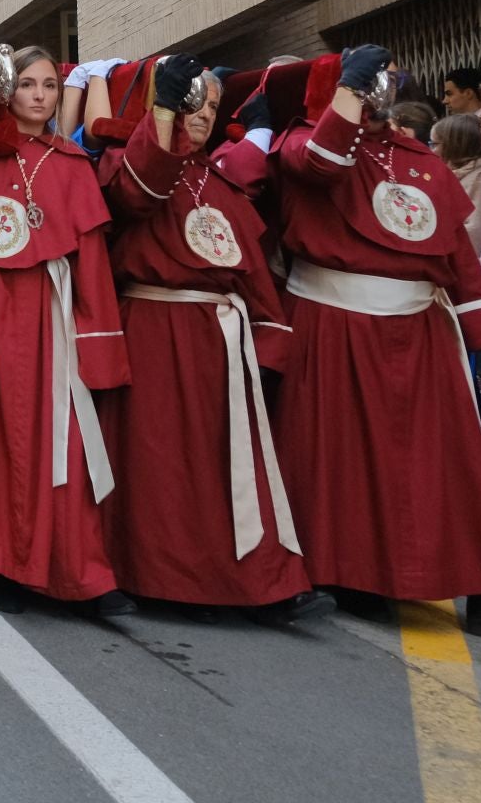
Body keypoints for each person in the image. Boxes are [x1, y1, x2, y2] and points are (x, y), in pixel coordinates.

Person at [273, 46, 481, 629]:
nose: (372, 100)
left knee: (449, 467)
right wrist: (347, 93)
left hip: (422, 332)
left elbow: (457, 257)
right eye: (360, 90)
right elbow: (321, 162)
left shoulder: (420, 158)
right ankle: (352, 576)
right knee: (343, 465)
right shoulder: (303, 145)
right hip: (334, 323)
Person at [94, 57, 327, 622]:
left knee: (235, 470)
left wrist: (271, 342)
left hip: (223, 344)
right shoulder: (126, 162)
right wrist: (162, 115)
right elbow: (139, 191)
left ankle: (260, 583)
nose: (201, 114)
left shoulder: (222, 180)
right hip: (155, 334)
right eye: (190, 101)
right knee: (162, 468)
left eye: (210, 106)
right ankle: (160, 578)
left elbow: (248, 270)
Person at [0, 44, 135, 615]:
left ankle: (59, 568)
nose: (40, 96)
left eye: (49, 85)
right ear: (6, 89)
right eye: (26, 84)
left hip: (47, 306)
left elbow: (90, 257)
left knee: (51, 435)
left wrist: (98, 340)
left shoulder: (71, 164)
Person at [432, 113, 481, 256]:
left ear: (455, 145)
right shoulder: (454, 175)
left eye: (435, 144)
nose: (433, 150)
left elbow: (474, 234)